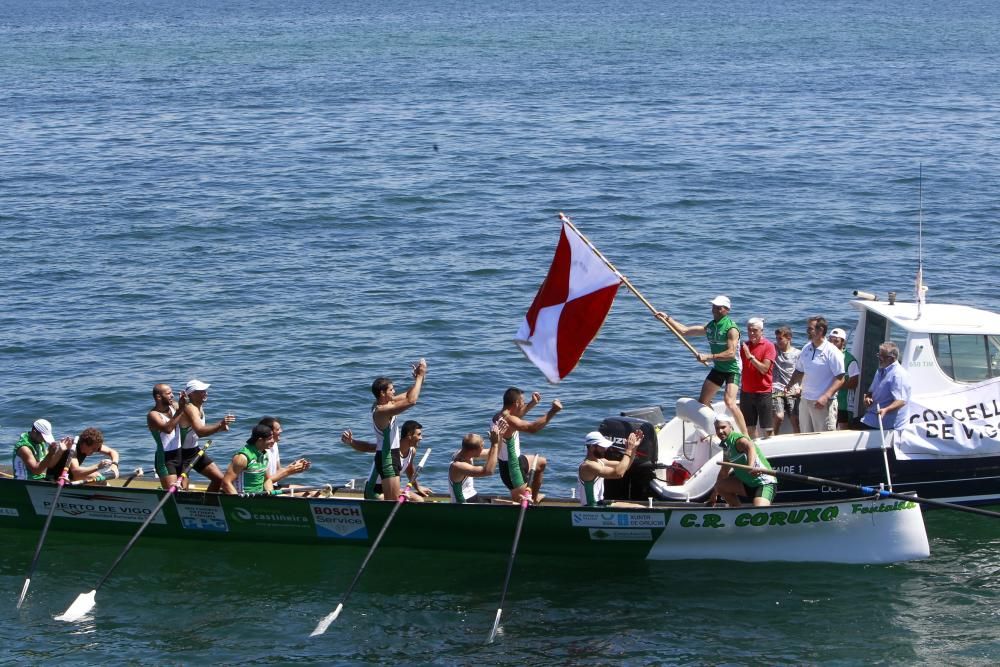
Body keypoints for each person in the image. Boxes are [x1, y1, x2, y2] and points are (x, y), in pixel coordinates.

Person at [657, 295, 751, 437]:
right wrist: (667, 318)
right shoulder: (711, 326)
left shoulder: (732, 328)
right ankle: (718, 428)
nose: (714, 309)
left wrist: (709, 356)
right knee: (703, 402)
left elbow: (731, 353)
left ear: (726, 310)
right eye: (713, 306)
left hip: (732, 369)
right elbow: (684, 331)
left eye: (718, 307)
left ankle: (745, 435)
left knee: (729, 402)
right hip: (719, 368)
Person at [371, 358, 427, 500]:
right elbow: (411, 401)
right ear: (382, 393)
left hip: (393, 455)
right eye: (391, 389)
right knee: (392, 500)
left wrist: (419, 378)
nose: (394, 391)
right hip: (387, 457)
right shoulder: (381, 411)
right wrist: (420, 377)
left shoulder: (388, 403)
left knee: (395, 497)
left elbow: (409, 395)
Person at [492, 387, 561, 503]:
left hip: (515, 461)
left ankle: (534, 497)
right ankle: (531, 502)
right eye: (523, 402)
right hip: (513, 471)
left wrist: (532, 403)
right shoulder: (508, 420)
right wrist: (552, 411)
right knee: (524, 505)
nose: (524, 403)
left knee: (541, 462)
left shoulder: (501, 414)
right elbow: (532, 428)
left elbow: (517, 414)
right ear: (517, 403)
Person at [785, 316, 845, 433]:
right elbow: (799, 370)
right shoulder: (806, 348)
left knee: (824, 440)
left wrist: (825, 397)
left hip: (823, 404)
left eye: (810, 329)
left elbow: (840, 378)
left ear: (821, 330)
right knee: (805, 436)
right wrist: (790, 384)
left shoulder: (832, 352)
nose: (807, 332)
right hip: (805, 401)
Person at [709, 414, 776, 507]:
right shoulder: (726, 446)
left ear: (730, 427)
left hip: (763, 483)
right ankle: (736, 510)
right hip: (746, 484)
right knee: (719, 486)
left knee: (759, 511)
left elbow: (750, 446)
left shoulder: (737, 439)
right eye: (717, 429)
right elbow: (724, 471)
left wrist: (750, 466)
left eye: (723, 427)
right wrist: (713, 495)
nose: (720, 431)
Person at [178, 379, 233, 492]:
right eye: (202, 391)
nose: (206, 393)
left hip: (194, 451)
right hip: (181, 454)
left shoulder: (199, 406)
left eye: (205, 390)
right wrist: (219, 425)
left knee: (219, 479)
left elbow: (199, 430)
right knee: (183, 490)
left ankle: (208, 504)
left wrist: (220, 428)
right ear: (192, 394)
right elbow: (200, 432)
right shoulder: (190, 408)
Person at [854, 342, 913, 431]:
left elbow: (901, 401)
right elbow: (871, 392)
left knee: (853, 426)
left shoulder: (898, 375)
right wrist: (868, 398)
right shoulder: (880, 371)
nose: (879, 358)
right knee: (852, 423)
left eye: (882, 356)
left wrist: (886, 410)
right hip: (872, 417)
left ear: (891, 358)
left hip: (887, 423)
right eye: (879, 355)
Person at [577, 428, 643, 507]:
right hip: (591, 508)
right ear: (592, 447)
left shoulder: (601, 461)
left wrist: (634, 448)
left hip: (600, 504)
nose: (605, 449)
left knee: (640, 507)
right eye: (602, 446)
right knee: (638, 508)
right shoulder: (587, 466)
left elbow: (625, 466)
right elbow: (618, 474)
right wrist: (628, 450)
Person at [739, 317, 777, 439]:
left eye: (755, 330)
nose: (751, 333)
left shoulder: (769, 346)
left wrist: (750, 356)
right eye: (749, 330)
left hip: (763, 392)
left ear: (761, 331)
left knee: (768, 429)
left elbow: (764, 369)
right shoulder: (744, 346)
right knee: (749, 427)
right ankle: (754, 452)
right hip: (746, 392)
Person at [449, 421, 503, 504]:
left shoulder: (465, 452)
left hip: (473, 496)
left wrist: (501, 436)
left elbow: (494, 453)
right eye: (482, 447)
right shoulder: (458, 465)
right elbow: (488, 471)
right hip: (464, 503)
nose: (483, 448)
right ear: (473, 451)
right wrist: (494, 444)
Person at [147, 383, 188, 489]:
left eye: (172, 393)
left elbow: (187, 418)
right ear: (159, 397)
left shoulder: (174, 406)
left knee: (185, 490)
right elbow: (167, 429)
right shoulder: (153, 415)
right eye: (168, 393)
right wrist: (180, 410)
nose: (172, 395)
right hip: (166, 459)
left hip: (180, 454)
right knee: (173, 493)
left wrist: (186, 402)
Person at [47, 427, 120, 484]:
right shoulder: (72, 449)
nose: (95, 451)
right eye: (93, 449)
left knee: (99, 477)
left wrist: (114, 465)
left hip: (70, 475)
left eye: (97, 448)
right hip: (56, 479)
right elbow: (76, 472)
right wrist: (98, 466)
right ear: (85, 444)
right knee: (96, 476)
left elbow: (112, 452)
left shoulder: (92, 445)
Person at [222, 423, 274, 495]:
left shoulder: (264, 455)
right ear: (260, 440)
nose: (273, 441)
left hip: (259, 498)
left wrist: (271, 496)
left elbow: (267, 479)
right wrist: (239, 501)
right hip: (243, 499)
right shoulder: (243, 458)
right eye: (270, 439)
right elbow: (226, 483)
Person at [257, 416, 310, 486]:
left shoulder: (274, 445)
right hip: (264, 490)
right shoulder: (260, 450)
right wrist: (288, 471)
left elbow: (278, 471)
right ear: (269, 432)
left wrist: (294, 468)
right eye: (278, 429)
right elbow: (265, 482)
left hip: (273, 486)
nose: (281, 431)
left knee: (313, 492)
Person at [771, 326, 802, 435]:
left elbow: (803, 372)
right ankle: (774, 437)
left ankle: (798, 440)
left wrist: (800, 388)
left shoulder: (798, 353)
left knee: (795, 419)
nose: (778, 341)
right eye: (777, 338)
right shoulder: (773, 350)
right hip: (776, 389)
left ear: (789, 338)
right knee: (779, 416)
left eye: (780, 338)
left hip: (792, 389)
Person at [828, 328, 860, 429]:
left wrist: (835, 384)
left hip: (843, 403)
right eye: (830, 340)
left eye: (836, 341)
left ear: (843, 342)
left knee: (843, 428)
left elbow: (854, 383)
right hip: (829, 400)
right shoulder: (825, 356)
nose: (832, 344)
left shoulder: (850, 360)